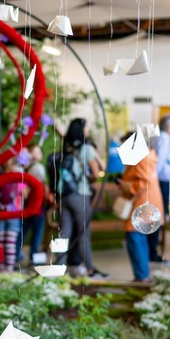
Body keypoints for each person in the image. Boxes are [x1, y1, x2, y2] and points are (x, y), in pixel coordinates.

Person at [49, 118, 107, 279]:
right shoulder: (86, 148)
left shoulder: (67, 146)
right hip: (80, 195)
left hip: (65, 194)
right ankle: (89, 269)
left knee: (64, 233)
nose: (88, 131)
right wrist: (90, 179)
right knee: (83, 234)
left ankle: (58, 267)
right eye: (87, 128)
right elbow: (96, 172)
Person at [119, 147, 164, 282]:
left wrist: (127, 185)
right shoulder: (148, 156)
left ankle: (142, 276)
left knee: (134, 238)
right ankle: (143, 274)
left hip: (141, 204)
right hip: (147, 204)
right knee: (140, 239)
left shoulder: (142, 158)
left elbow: (144, 182)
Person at [150, 115, 170, 262]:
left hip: (158, 179)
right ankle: (153, 250)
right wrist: (152, 177)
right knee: (159, 215)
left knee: (156, 214)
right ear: (169, 127)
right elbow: (159, 160)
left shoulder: (157, 137)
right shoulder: (165, 138)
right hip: (161, 180)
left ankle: (153, 248)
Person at [0, 156, 28, 271]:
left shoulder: (19, 177)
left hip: (13, 212)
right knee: (1, 241)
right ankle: (2, 266)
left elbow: (25, 194)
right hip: (1, 211)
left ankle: (8, 267)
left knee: (9, 241)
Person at [21, 143, 47, 264]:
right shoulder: (37, 168)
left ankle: (17, 256)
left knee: (24, 232)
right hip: (36, 206)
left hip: (28, 206)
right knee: (37, 234)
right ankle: (34, 259)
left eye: (39, 152)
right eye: (35, 152)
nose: (38, 154)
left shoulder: (26, 169)